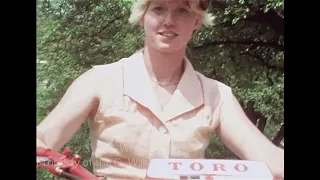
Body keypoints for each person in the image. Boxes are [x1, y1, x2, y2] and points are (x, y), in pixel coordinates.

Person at [36, 0, 284, 179]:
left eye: (182, 11)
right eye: (158, 9)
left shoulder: (217, 95)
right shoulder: (99, 80)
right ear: (143, 16)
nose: (168, 20)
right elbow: (42, 142)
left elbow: (270, 160)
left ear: (196, 21)